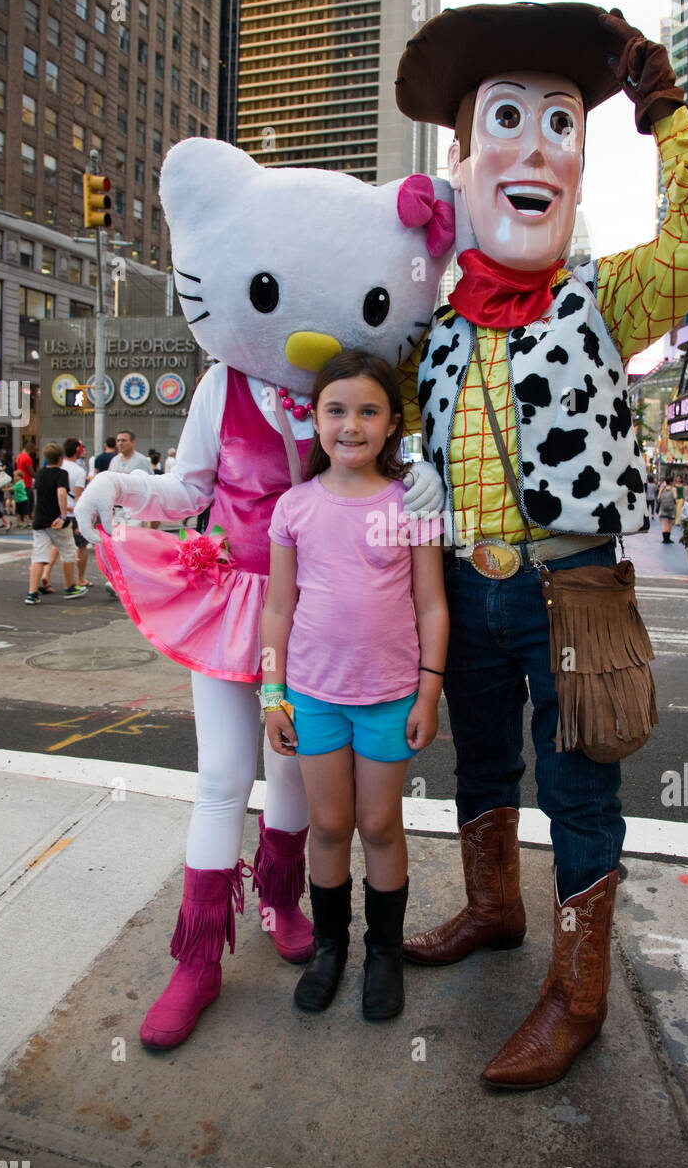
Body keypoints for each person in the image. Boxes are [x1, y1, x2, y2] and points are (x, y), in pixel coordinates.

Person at [394, 0, 688, 1088]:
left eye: (559, 124)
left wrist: (663, 111)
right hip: (465, 589)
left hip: (573, 589)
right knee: (483, 761)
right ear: (460, 161)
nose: (536, 147)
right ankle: (493, 910)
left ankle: (576, 995)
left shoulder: (604, 296)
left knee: (581, 789)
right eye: (506, 120)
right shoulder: (434, 329)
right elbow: (345, 401)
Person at [74, 140, 453, 1049]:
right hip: (235, 599)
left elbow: (397, 513)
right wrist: (121, 490)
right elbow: (188, 489)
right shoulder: (223, 385)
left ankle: (290, 908)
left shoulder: (357, 409)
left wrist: (429, 483)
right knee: (220, 778)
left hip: (315, 627)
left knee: (297, 781)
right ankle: (197, 960)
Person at [262, 352, 448, 1020]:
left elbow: (431, 604)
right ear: (313, 419)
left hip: (392, 696)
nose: (351, 424)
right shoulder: (294, 508)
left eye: (368, 410)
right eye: (335, 409)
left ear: (393, 423)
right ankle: (330, 948)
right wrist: (271, 695)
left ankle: (385, 953)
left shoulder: (413, 503)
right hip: (311, 696)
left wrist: (428, 692)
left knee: (378, 822)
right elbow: (278, 609)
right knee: (332, 824)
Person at [25, 443, 87, 604]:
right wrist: (63, 515)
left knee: (38, 556)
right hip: (56, 521)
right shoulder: (61, 473)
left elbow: (38, 494)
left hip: (40, 520)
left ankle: (32, 593)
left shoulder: (40, 474)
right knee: (68, 552)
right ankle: (69, 587)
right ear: (60, 459)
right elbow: (61, 493)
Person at [43, 439, 91, 590]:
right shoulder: (79, 471)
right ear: (77, 451)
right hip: (72, 514)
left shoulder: (55, 467)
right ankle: (80, 579)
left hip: (56, 512)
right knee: (81, 547)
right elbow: (79, 497)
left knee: (55, 547)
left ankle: (46, 574)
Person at [657, 475, 677, 542]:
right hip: (671, 508)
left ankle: (664, 539)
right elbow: (675, 497)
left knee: (664, 523)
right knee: (670, 523)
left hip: (663, 508)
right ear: (671, 482)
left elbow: (658, 498)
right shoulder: (674, 489)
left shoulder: (662, 488)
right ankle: (668, 539)